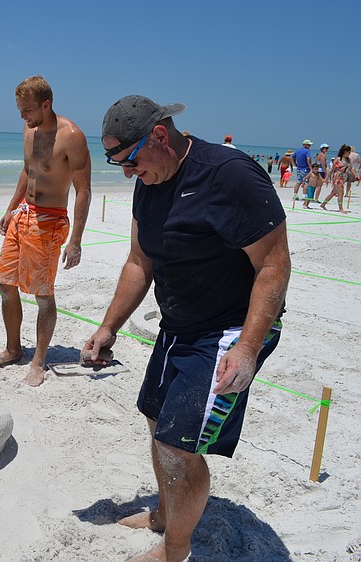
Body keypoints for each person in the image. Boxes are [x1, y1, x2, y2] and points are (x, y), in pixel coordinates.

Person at [84, 95, 290, 562]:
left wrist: (248, 348)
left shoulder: (229, 175)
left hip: (230, 328)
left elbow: (275, 265)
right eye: (117, 164)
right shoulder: (150, 181)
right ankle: (164, 513)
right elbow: (140, 261)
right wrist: (108, 327)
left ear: (160, 136)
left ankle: (174, 549)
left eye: (130, 161)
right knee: (157, 421)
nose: (127, 174)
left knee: (177, 446)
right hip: (179, 323)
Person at [0, 75, 92, 386]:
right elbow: (27, 170)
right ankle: (13, 348)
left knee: (43, 295)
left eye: (28, 110)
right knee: (5, 285)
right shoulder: (28, 129)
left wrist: (76, 241)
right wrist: (10, 208)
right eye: (19, 110)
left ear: (46, 105)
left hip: (50, 220)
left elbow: (83, 190)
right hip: (23, 215)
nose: (23, 116)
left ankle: (39, 359)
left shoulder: (71, 136)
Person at [321, 144, 351, 213]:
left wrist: (355, 176)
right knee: (341, 193)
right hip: (338, 178)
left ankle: (323, 204)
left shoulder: (347, 160)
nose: (349, 154)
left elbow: (350, 168)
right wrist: (326, 179)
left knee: (333, 193)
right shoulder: (338, 159)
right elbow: (332, 170)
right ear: (345, 152)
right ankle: (341, 209)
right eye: (348, 152)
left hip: (343, 178)